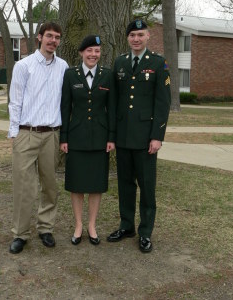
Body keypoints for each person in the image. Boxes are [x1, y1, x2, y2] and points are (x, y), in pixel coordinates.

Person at [107, 19, 171, 253]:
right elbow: (114, 101)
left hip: (146, 139)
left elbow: (163, 103)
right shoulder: (120, 63)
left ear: (148, 37)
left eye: (140, 35)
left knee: (147, 185)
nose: (136, 39)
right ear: (127, 38)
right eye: (132, 35)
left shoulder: (158, 63)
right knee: (124, 184)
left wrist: (157, 136)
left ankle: (145, 232)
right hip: (123, 137)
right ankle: (126, 226)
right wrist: (112, 135)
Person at [8, 22, 68, 254]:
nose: (53, 41)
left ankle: (45, 228)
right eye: (49, 36)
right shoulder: (24, 66)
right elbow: (15, 101)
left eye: (57, 37)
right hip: (26, 133)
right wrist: (14, 133)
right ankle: (20, 234)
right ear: (39, 38)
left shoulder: (63, 67)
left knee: (49, 185)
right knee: (24, 186)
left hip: (51, 135)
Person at [60, 35, 116, 246]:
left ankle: (92, 225)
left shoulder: (107, 75)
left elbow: (112, 109)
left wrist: (111, 137)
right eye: (90, 51)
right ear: (82, 53)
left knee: (95, 184)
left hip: (100, 138)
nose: (93, 55)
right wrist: (63, 137)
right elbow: (65, 107)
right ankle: (78, 225)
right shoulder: (70, 75)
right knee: (76, 184)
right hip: (76, 137)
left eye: (97, 51)